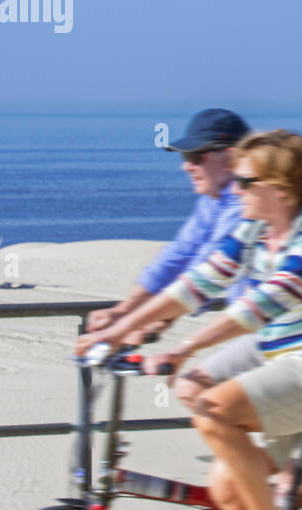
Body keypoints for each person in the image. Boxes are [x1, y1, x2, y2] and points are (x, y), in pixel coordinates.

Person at [77, 130, 302, 510]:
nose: (233, 190)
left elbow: (257, 309)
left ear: (277, 189)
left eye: (244, 182)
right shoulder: (255, 227)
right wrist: (119, 330)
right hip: (285, 358)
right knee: (226, 487)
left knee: (215, 411)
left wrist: (185, 346)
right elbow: (198, 282)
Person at [86, 108, 251, 346]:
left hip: (282, 338)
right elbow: (179, 255)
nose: (186, 167)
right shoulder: (215, 199)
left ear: (229, 157)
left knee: (194, 379)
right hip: (255, 332)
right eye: (185, 158)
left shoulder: (245, 203)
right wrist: (122, 311)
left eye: (195, 157)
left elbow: (206, 273)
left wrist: (148, 322)